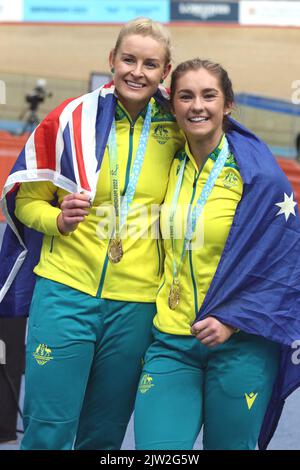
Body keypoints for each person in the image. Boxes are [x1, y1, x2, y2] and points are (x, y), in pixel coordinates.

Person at [0, 18, 184, 450]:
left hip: (136, 307)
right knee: (48, 429)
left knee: (103, 436)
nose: (137, 71)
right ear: (112, 61)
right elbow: (26, 202)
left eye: (150, 64)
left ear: (166, 71)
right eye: (129, 59)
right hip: (65, 292)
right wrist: (57, 221)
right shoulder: (71, 119)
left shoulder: (179, 127)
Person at [134, 58, 300, 450]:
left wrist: (232, 320)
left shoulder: (257, 177)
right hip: (171, 340)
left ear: (227, 105)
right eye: (186, 96)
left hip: (238, 345)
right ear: (171, 105)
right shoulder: (166, 163)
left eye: (209, 96)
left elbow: (285, 264)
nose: (197, 106)